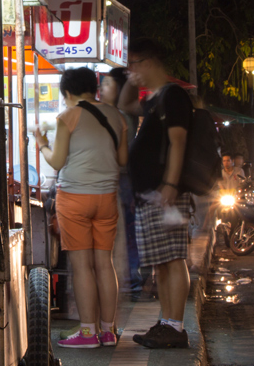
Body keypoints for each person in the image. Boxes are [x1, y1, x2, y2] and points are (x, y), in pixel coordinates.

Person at [34, 67, 128, 349]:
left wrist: (41, 144)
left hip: (74, 197)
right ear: (94, 88)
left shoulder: (68, 116)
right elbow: (122, 158)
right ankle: (109, 331)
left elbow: (57, 161)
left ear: (67, 93)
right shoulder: (116, 116)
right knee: (104, 262)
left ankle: (88, 333)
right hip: (107, 198)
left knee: (81, 265)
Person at [118, 38, 192, 349]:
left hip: (167, 192)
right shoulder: (155, 98)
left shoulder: (173, 96)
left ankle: (175, 326)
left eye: (135, 64)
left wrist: (170, 185)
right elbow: (125, 105)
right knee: (161, 261)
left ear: (149, 63)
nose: (131, 70)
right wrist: (129, 79)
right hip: (153, 193)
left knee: (173, 259)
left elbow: (178, 142)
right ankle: (167, 322)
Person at [100, 66, 145, 297]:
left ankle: (130, 281)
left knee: (125, 231)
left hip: (121, 179)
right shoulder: (121, 112)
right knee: (127, 230)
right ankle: (131, 280)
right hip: (123, 178)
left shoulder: (119, 114)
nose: (102, 89)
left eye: (107, 84)